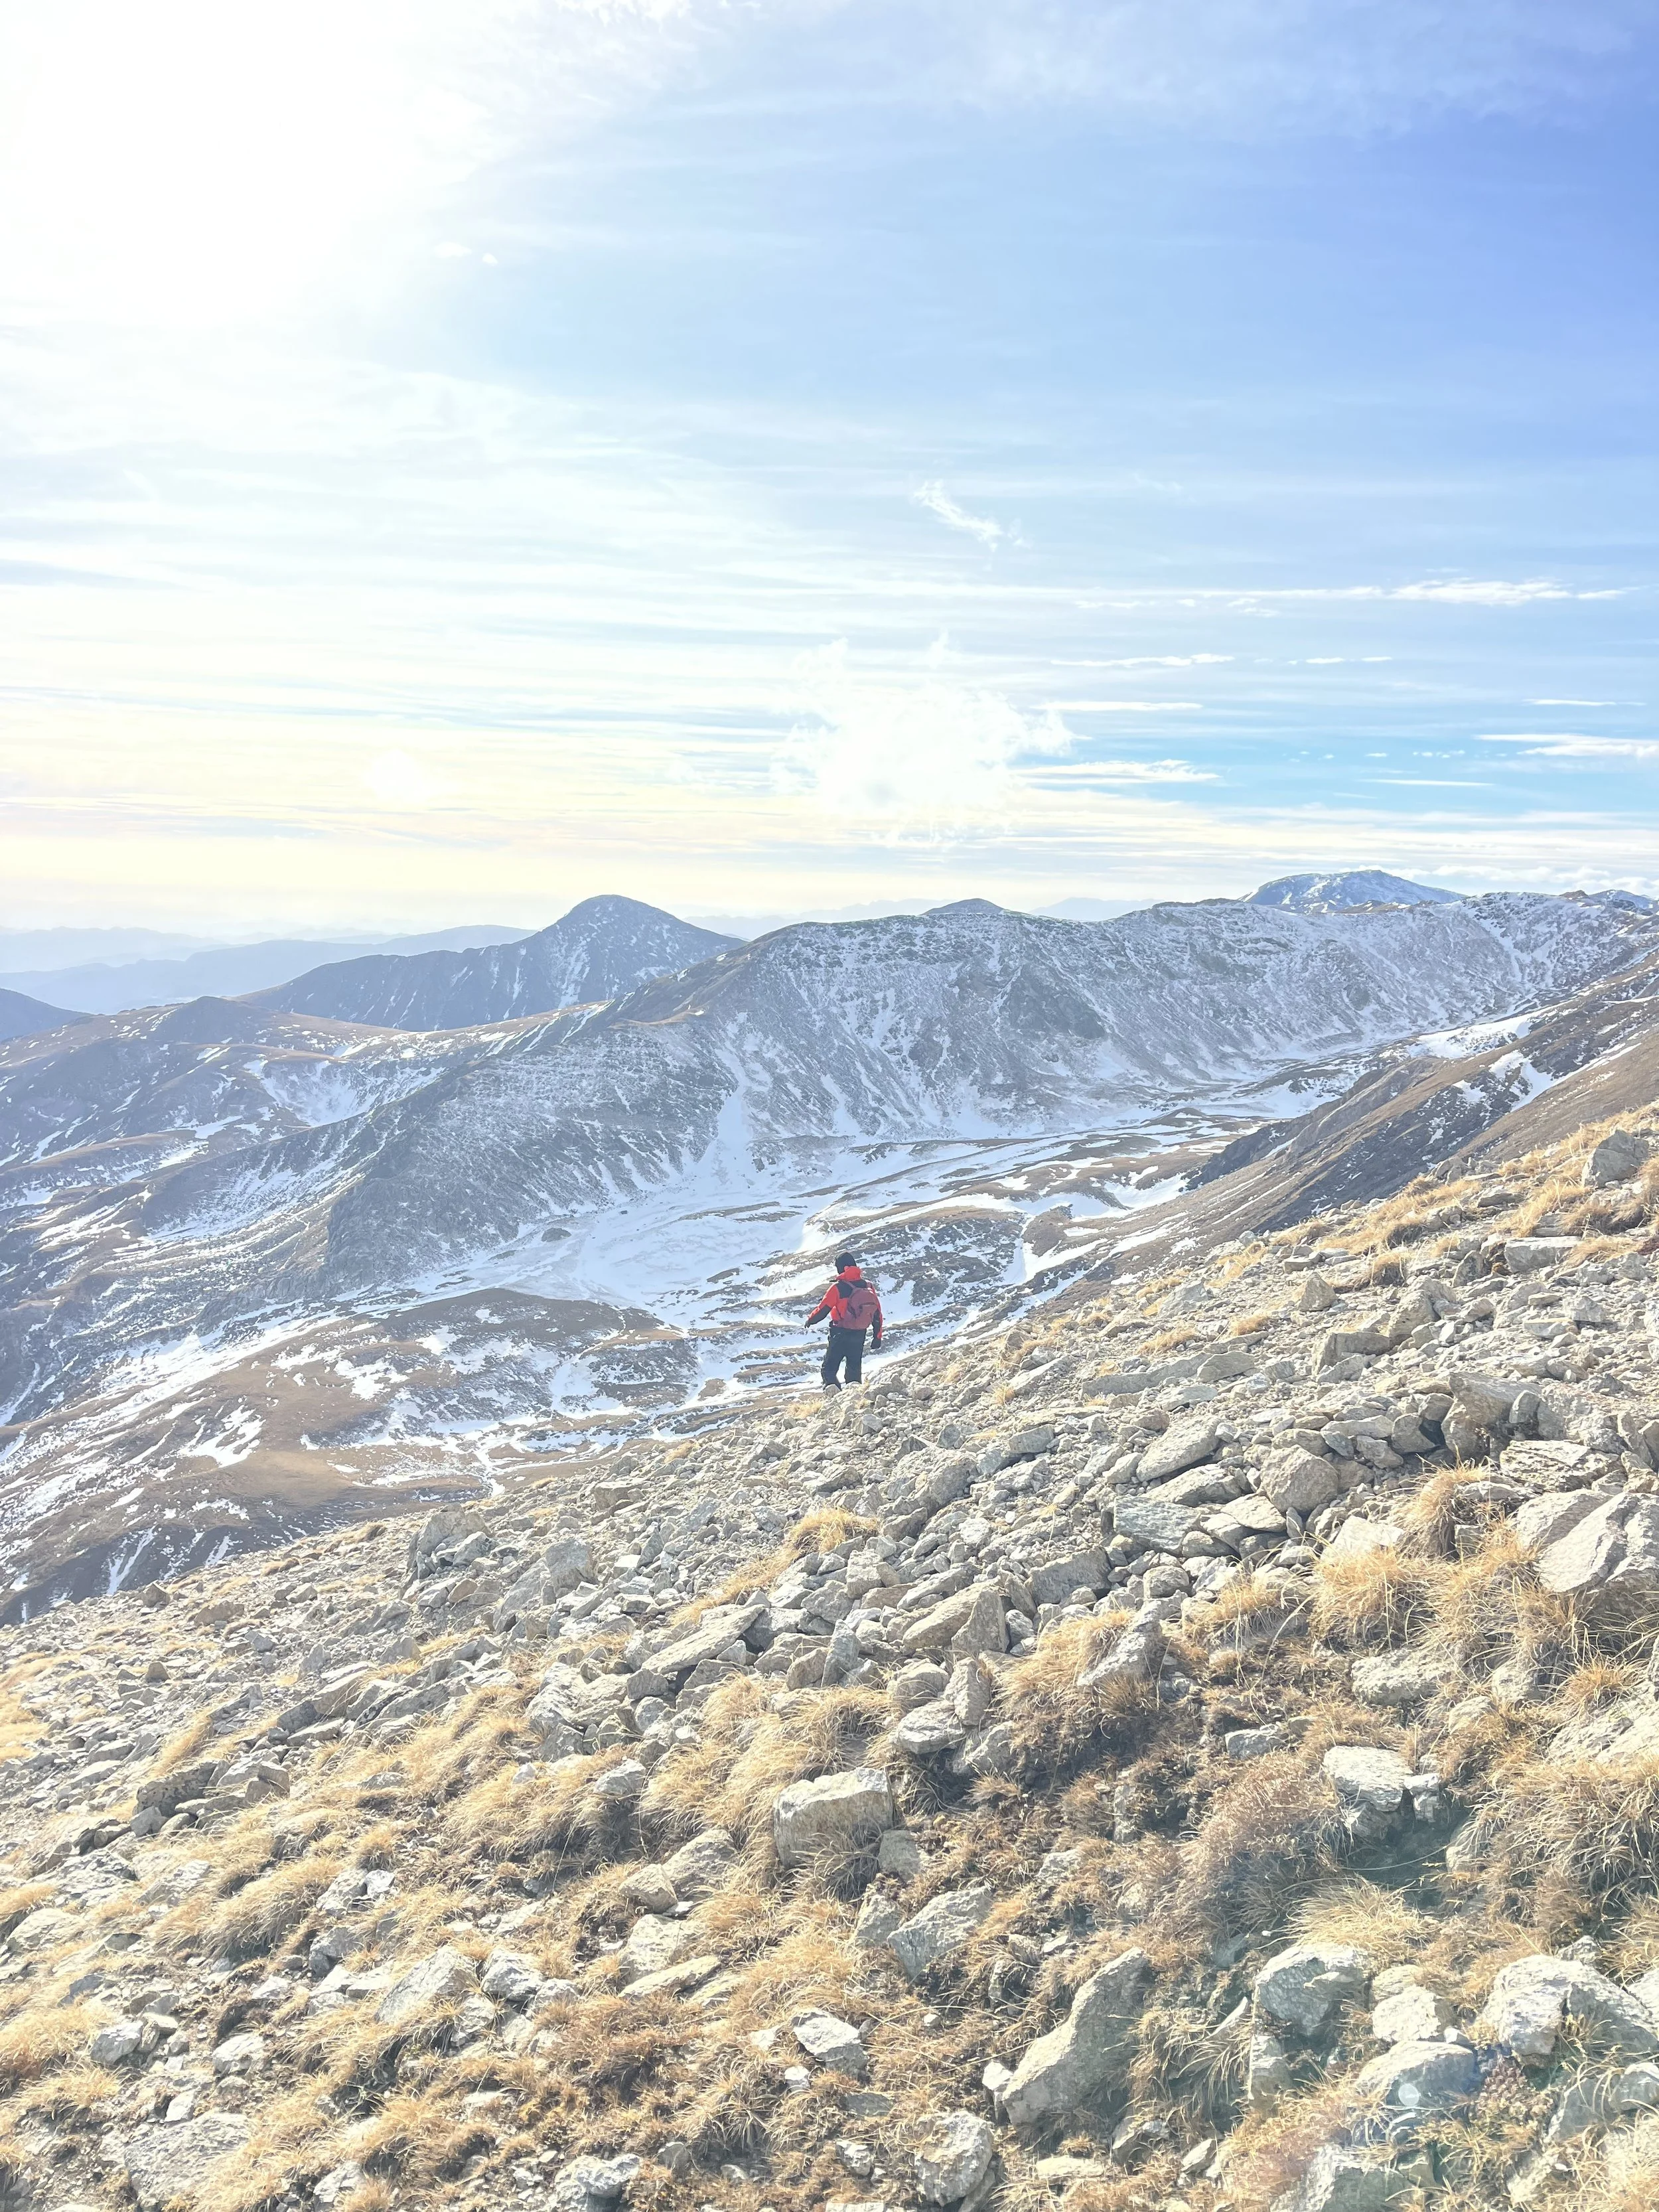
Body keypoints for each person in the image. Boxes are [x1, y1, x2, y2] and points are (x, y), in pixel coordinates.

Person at [806, 1252, 883, 1388]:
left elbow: (823, 1310)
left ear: (844, 1268)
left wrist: (810, 1320)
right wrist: (877, 1337)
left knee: (828, 1370)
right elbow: (877, 1313)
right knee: (854, 1372)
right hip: (860, 1333)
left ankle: (835, 1400)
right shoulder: (868, 1286)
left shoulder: (837, 1288)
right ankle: (854, 1400)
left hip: (840, 1333)